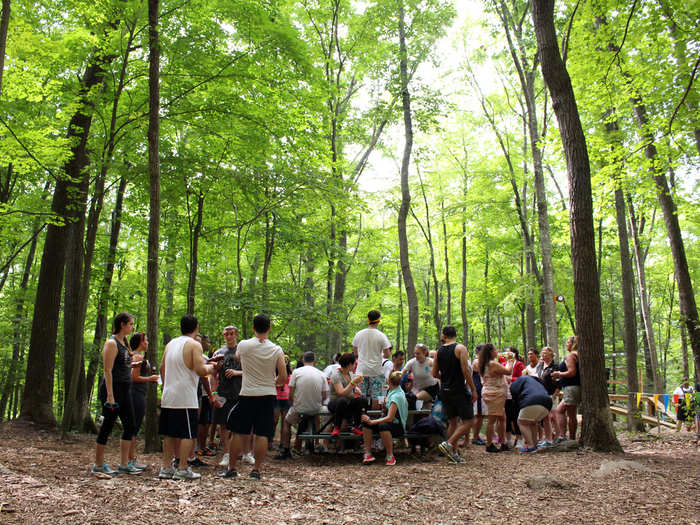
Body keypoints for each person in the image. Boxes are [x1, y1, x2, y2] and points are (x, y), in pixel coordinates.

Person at [219, 313, 287, 480]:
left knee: (238, 432)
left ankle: (232, 468)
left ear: (253, 328)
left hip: (247, 394)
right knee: (262, 433)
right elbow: (283, 378)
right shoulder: (276, 350)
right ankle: (256, 470)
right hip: (267, 395)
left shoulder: (244, 345)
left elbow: (238, 358)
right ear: (269, 328)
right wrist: (273, 382)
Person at [158, 314, 219, 481]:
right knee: (188, 433)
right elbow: (200, 370)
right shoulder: (194, 344)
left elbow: (162, 366)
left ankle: (166, 467)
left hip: (169, 395)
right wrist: (212, 369)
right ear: (196, 327)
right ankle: (183, 468)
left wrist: (166, 385)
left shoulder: (170, 344)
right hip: (184, 395)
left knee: (169, 433)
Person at [92, 313, 142, 476]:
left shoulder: (124, 342)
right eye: (131, 324)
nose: (132, 327)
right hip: (112, 390)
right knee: (107, 426)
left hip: (125, 389)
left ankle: (124, 464)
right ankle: (98, 464)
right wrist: (110, 395)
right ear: (122, 324)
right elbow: (108, 370)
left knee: (130, 425)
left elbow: (123, 365)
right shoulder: (111, 343)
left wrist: (135, 364)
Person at [432, 325, 477, 463]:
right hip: (458, 390)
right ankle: (449, 443)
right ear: (455, 334)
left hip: (445, 391)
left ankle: (453, 454)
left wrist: (445, 379)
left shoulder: (439, 352)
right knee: (469, 421)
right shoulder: (460, 348)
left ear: (443, 336)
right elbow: (465, 370)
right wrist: (473, 389)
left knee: (453, 422)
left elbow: (434, 373)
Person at [277, 351, 329, 458]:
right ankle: (316, 443)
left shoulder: (296, 372)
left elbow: (291, 394)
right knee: (316, 417)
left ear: (303, 360)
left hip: (300, 407)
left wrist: (292, 405)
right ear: (314, 361)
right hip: (316, 408)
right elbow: (324, 396)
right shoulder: (321, 374)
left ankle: (285, 449)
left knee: (286, 422)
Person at [211, 325, 243, 468]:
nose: (229, 337)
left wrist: (237, 373)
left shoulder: (242, 351)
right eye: (226, 334)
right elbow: (211, 374)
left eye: (231, 334)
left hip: (240, 392)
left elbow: (251, 370)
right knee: (223, 424)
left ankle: (240, 452)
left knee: (238, 425)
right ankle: (226, 453)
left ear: (236, 335)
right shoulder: (219, 352)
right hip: (223, 392)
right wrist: (213, 393)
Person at [360, 371, 408, 466]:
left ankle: (390, 455)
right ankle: (368, 453)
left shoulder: (396, 396)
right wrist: (384, 406)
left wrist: (373, 422)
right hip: (390, 422)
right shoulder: (392, 391)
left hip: (397, 426)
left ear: (389, 381)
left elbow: (390, 418)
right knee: (366, 423)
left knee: (382, 425)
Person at [128, 331, 159, 470]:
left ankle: (130, 458)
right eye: (145, 340)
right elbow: (133, 377)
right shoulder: (136, 356)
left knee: (134, 426)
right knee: (133, 426)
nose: (147, 342)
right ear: (140, 342)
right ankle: (130, 459)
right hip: (135, 394)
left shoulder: (138, 356)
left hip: (139, 393)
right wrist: (150, 379)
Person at [353, 310, 392, 410]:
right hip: (376, 371)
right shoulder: (381, 336)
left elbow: (355, 352)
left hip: (361, 370)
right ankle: (374, 421)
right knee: (377, 397)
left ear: (368, 319)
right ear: (378, 320)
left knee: (360, 397)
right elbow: (387, 355)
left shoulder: (359, 334)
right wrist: (379, 354)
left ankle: (360, 421)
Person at [478, 343, 514, 453]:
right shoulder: (492, 363)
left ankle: (503, 442)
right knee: (492, 419)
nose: (497, 352)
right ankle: (489, 444)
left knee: (502, 417)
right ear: (490, 352)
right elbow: (508, 371)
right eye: (495, 350)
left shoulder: (486, 363)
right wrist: (511, 360)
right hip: (494, 394)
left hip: (496, 393)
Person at [510, 375, 553, 453]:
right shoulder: (537, 381)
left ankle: (530, 446)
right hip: (548, 402)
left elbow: (514, 394)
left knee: (521, 422)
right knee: (532, 422)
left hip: (532, 400)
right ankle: (534, 444)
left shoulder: (519, 380)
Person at [326, 352, 365, 436]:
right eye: (354, 364)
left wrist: (356, 388)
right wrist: (353, 383)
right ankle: (336, 427)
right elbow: (341, 393)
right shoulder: (336, 375)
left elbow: (352, 387)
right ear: (349, 364)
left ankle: (356, 426)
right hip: (335, 403)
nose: (355, 366)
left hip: (348, 403)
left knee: (361, 400)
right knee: (342, 400)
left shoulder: (350, 373)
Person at [551, 336, 580, 441]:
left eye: (568, 342)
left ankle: (571, 439)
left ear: (573, 344)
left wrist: (558, 373)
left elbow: (572, 372)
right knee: (559, 410)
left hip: (571, 388)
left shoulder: (571, 356)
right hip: (573, 387)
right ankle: (563, 436)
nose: (567, 344)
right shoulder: (578, 355)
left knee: (571, 415)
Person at [195, 334, 216, 458]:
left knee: (206, 421)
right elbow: (203, 377)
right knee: (202, 421)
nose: (208, 344)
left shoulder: (205, 357)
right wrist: (209, 393)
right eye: (207, 342)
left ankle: (203, 446)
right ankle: (199, 447)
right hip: (202, 394)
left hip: (206, 393)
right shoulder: (200, 357)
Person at [272, 356, 292, 450]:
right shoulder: (273, 371)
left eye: (286, 360)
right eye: (283, 360)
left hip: (286, 398)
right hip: (276, 398)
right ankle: (270, 442)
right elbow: (273, 383)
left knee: (285, 422)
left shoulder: (291, 373)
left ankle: (282, 443)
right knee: (274, 421)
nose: (285, 361)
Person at [471, 350, 487, 446]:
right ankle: (475, 437)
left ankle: (476, 436)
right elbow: (479, 369)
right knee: (478, 414)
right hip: (478, 389)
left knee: (480, 415)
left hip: (480, 390)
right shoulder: (476, 361)